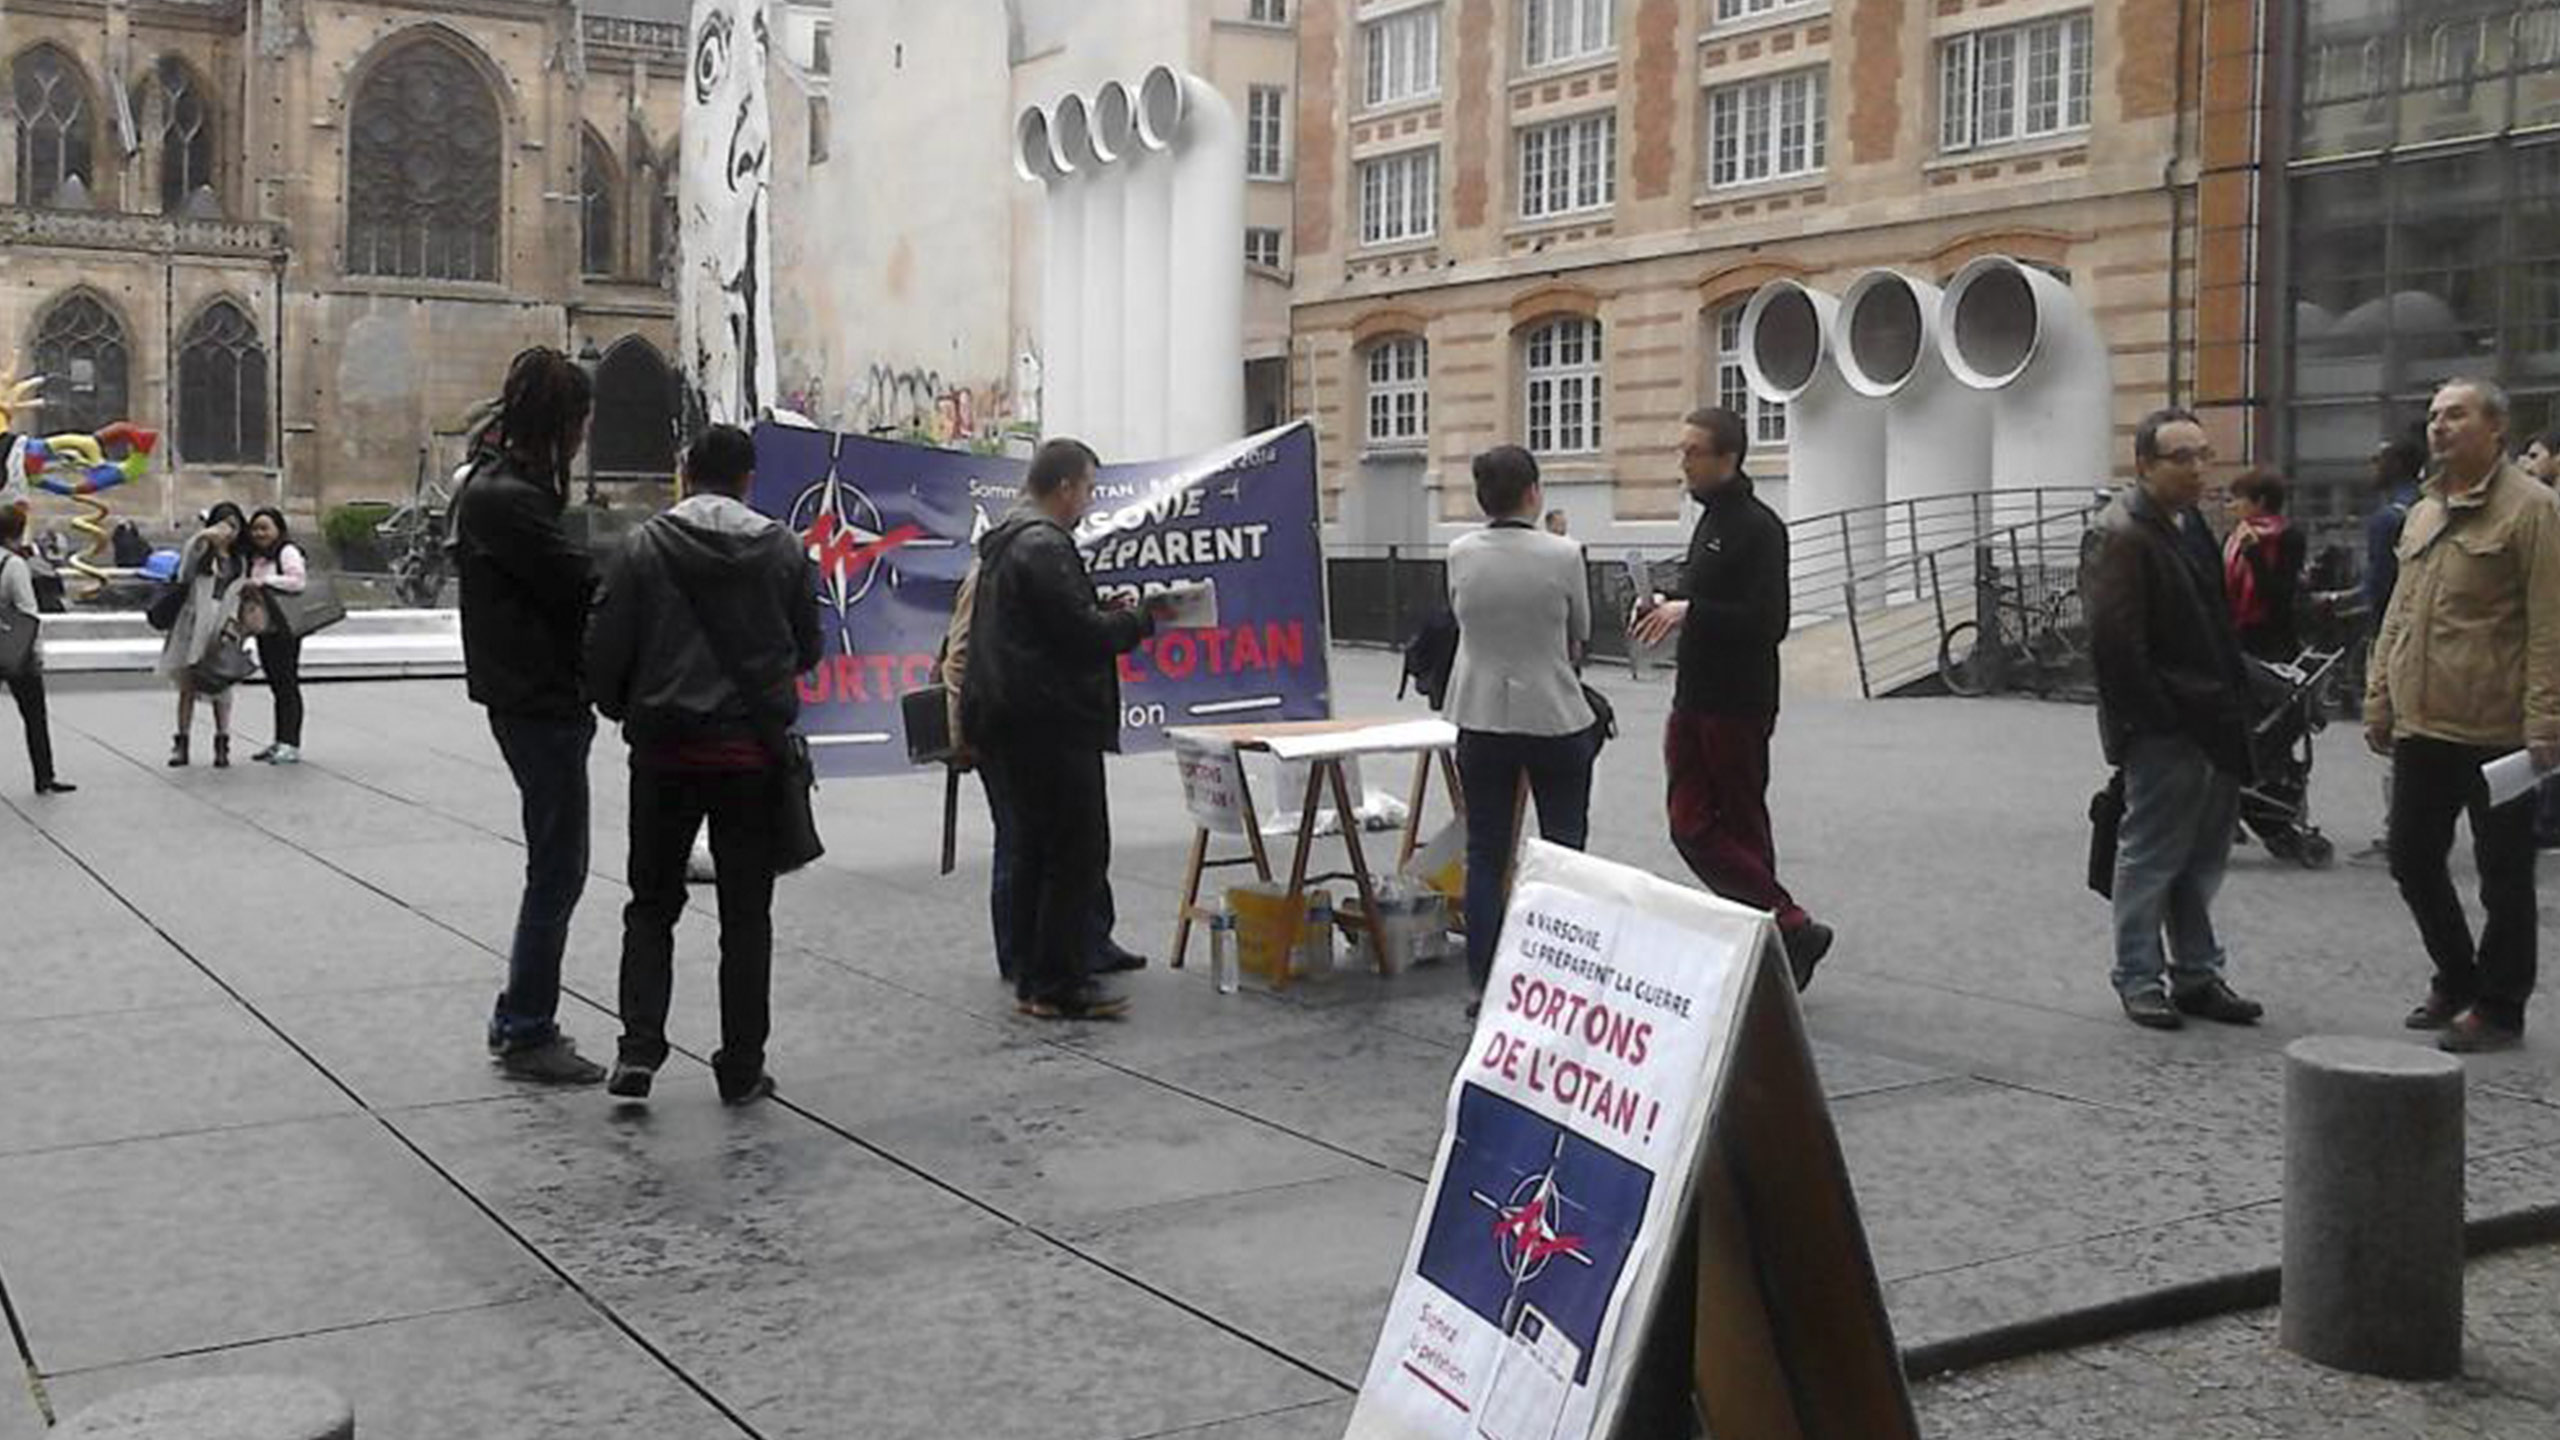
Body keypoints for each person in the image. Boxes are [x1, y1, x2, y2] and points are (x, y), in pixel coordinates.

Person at [586, 424, 820, 1104]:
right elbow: (807, 647)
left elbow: (607, 645)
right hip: (748, 756)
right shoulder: (783, 549)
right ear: (749, 479)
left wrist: (625, 706)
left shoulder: (642, 547)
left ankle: (638, 1049)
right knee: (747, 917)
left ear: (686, 473)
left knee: (651, 905)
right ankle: (741, 1066)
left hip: (664, 753)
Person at [2365, 378, 2560, 1054]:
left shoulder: (2533, 509)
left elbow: (2550, 623)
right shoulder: (2425, 510)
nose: (2439, 426)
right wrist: (2379, 696)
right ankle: (2458, 975)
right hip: (2424, 722)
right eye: (2433, 416)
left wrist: (2545, 721)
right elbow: (2400, 613)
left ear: (2496, 428)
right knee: (2411, 859)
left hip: (2497, 730)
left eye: (2455, 414)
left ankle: (2500, 1008)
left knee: (2504, 874)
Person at [1629, 407, 1833, 988]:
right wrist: (1662, 605)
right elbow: (1701, 598)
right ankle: (1787, 925)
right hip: (1694, 694)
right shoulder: (1711, 521)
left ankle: (1774, 937)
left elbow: (1769, 621)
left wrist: (1690, 611)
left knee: (1741, 824)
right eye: (1682, 450)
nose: (1683, 461)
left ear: (1728, 458)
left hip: (1738, 701)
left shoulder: (1759, 528)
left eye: (1693, 451)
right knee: (1689, 824)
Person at [963, 438, 1166, 1020]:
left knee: (1034, 849)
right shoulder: (1045, 544)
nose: (1089, 501)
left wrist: (1101, 609)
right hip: (1051, 721)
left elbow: (1047, 624)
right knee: (1075, 851)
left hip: (1013, 718)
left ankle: (1035, 976)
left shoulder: (1007, 540)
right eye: (1088, 489)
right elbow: (1080, 636)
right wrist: (1140, 620)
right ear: (1066, 487)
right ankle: (1058, 982)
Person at [2084, 409, 2265, 1031]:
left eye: (2202, 455)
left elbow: (2215, 621)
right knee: (2151, 856)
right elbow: (2115, 645)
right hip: (2167, 726)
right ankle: (2139, 977)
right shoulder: (2121, 532)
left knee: (2201, 857)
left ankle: (2196, 973)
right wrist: (2158, 719)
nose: (2196, 469)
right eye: (2180, 457)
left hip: (2213, 717)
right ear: (2144, 465)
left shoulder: (2189, 524)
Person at [453, 347, 605, 1084]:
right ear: (560, 421)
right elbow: (581, 583)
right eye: (579, 421)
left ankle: (519, 1012)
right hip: (537, 699)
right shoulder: (508, 499)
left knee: (556, 863)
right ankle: (526, 1027)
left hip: (527, 693)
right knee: (557, 868)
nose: (582, 437)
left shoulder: (495, 486)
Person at [940, 557, 1151, 986]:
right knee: (1020, 842)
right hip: (1006, 726)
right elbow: (959, 656)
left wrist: (1099, 613)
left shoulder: (1035, 565)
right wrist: (959, 734)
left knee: (1076, 839)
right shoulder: (992, 573)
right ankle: (1019, 954)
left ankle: (1090, 940)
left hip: (1053, 721)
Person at [1448, 446, 1597, 1002]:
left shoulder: (1460, 553)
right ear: (1533, 493)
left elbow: (1462, 618)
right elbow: (1581, 630)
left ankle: (1484, 981)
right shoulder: (1564, 554)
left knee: (1486, 853)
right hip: (1554, 713)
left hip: (1481, 714)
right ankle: (1557, 975)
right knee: (1563, 850)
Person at [157, 501, 249, 768]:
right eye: (224, 525)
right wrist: (203, 537)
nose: (228, 532)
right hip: (194, 623)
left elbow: (240, 595)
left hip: (223, 624)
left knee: (222, 686)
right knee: (187, 685)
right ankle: (181, 741)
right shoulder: (201, 553)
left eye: (234, 526)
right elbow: (184, 573)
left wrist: (236, 627)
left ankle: (222, 741)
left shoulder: (240, 560)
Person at [0, 504, 71, 794]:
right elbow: (28, 612)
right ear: (17, 532)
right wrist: (37, 652)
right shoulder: (14, 565)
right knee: (34, 715)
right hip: (15, 648)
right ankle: (44, 776)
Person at [238, 507, 310, 764]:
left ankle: (291, 743)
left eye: (265, 528)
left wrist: (265, 581)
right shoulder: (256, 557)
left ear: (278, 529)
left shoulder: (286, 552)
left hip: (285, 627)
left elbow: (298, 581)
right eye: (255, 529)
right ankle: (281, 740)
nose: (260, 533)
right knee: (277, 684)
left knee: (287, 683)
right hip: (266, 627)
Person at [2222, 469, 2306, 662]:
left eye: (2239, 499)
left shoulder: (2288, 537)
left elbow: (2280, 596)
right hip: (2236, 635)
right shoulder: (2233, 538)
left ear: (2260, 501)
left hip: (2272, 639)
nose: (2233, 506)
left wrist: (2254, 554)